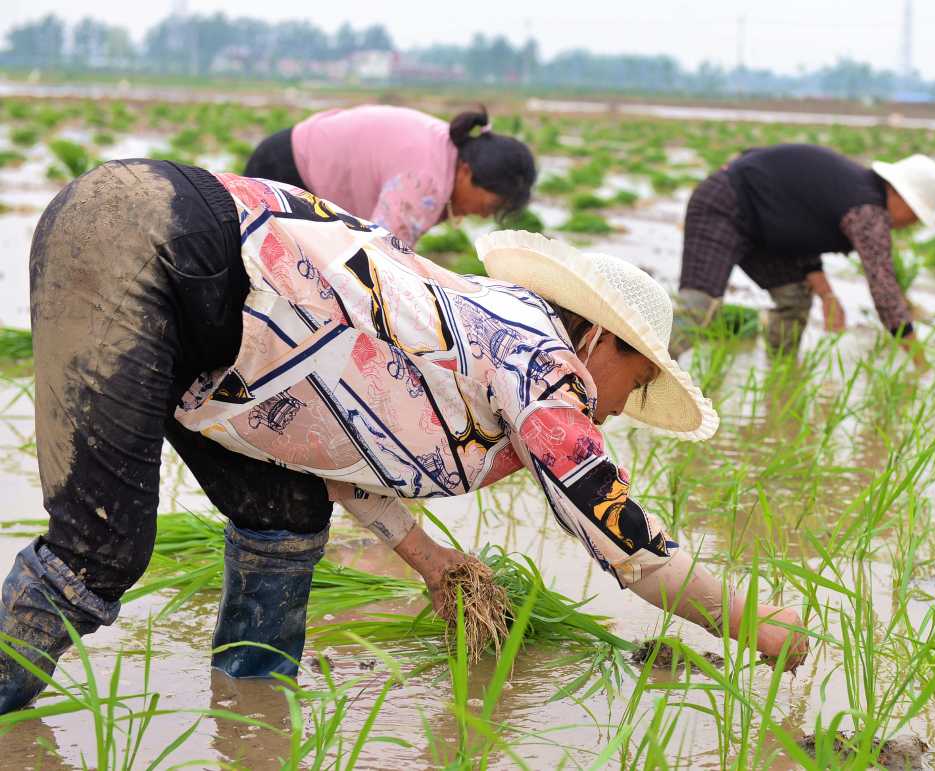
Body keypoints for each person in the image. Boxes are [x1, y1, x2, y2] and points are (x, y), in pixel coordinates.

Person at [0, 160, 807, 714]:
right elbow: (625, 539)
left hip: (214, 322)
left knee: (285, 514)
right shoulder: (542, 364)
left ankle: (249, 715)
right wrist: (752, 625)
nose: (626, 407)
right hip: (146, 240)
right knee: (98, 552)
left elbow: (331, 442)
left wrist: (433, 561)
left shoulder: (484, 340)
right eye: (640, 381)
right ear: (604, 342)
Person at [676, 144, 935, 355]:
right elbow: (885, 291)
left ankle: (781, 379)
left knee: (794, 300)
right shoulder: (868, 212)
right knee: (699, 308)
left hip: (764, 227)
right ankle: (638, 374)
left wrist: (827, 296)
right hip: (724, 205)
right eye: (914, 216)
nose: (908, 225)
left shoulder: (851, 190)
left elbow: (800, 235)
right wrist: (920, 362)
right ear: (900, 195)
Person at [243, 105, 536, 248]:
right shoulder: (425, 183)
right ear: (467, 172)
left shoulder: (447, 147)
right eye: (487, 207)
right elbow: (382, 257)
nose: (483, 216)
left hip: (291, 150)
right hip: (285, 172)